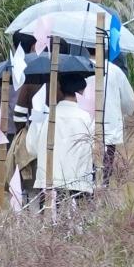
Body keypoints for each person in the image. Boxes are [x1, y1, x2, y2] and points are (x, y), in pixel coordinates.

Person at [24, 71, 97, 204]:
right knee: (76, 222)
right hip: (77, 182)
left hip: (48, 181)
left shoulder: (46, 116)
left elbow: (32, 149)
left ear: (60, 90)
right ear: (82, 92)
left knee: (48, 222)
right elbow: (96, 149)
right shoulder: (87, 118)